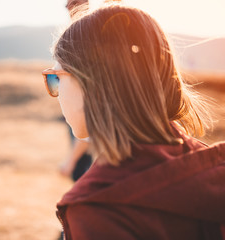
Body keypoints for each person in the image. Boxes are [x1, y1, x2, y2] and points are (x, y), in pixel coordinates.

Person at [42, 3, 225, 240]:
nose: (54, 91)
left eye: (55, 77)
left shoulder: (95, 210)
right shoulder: (213, 169)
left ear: (92, 84)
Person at [59, 0, 92, 182]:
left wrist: (70, 162)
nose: (66, 7)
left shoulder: (84, 43)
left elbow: (87, 127)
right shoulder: (77, 39)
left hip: (90, 139)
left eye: (72, 3)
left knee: (81, 177)